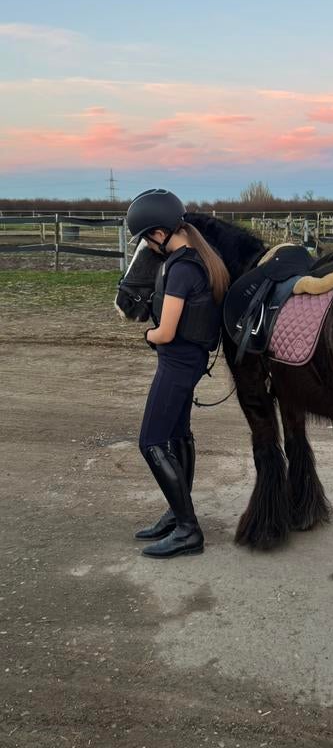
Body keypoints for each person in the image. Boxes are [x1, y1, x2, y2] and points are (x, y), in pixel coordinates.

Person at [126, 189, 230, 558]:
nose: (149, 246)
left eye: (145, 239)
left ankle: (188, 530)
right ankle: (178, 513)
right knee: (177, 434)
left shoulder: (181, 268)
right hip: (191, 361)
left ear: (158, 233)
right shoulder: (202, 260)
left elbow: (166, 331)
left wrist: (147, 334)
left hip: (176, 362)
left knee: (150, 441)